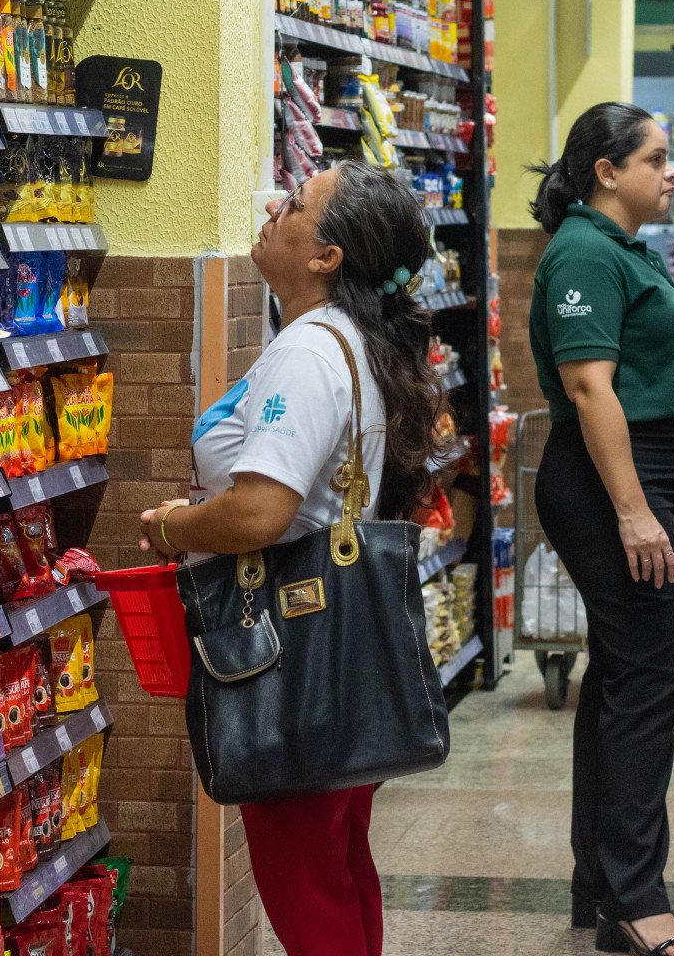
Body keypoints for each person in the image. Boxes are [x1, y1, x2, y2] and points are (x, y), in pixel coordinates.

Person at [136, 160, 447, 956]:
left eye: (299, 201)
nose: (276, 206)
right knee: (338, 872)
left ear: (326, 257)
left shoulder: (310, 353)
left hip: (297, 656)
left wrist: (174, 525)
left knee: (308, 889)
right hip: (345, 651)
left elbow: (261, 512)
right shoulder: (338, 342)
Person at [528, 102, 674, 956]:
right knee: (650, 678)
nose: (671, 173)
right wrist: (637, 512)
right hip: (607, 486)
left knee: (621, 677)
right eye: (657, 159)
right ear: (608, 171)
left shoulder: (622, 250)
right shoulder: (582, 254)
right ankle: (637, 901)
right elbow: (593, 392)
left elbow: (659, 389)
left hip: (649, 477)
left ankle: (601, 884)